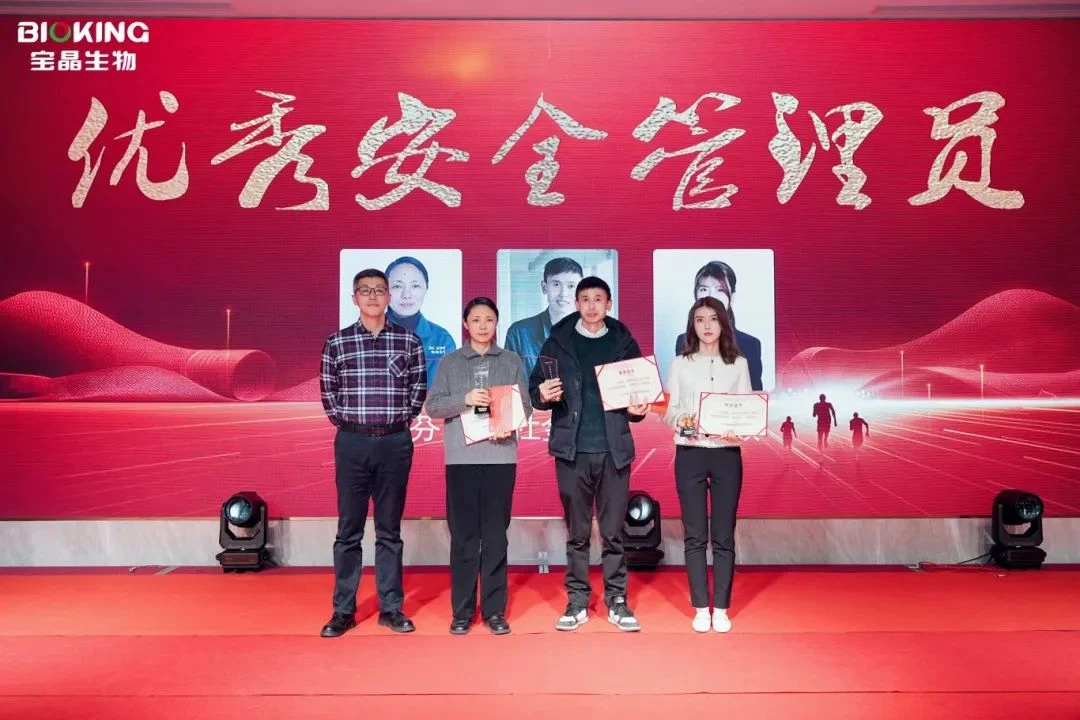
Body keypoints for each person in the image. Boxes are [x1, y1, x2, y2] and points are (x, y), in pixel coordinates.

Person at [528, 276, 650, 633]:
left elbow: (638, 396)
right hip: (572, 450)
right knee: (577, 533)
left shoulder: (623, 342)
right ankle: (577, 601)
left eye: (599, 299)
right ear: (576, 304)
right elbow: (536, 389)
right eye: (585, 299)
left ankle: (617, 600)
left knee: (613, 533)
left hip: (614, 450)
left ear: (609, 304)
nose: (592, 305)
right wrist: (542, 395)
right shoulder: (558, 342)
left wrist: (639, 409)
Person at [319, 268, 427, 638]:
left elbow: (417, 392)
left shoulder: (408, 341)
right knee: (348, 530)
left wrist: (394, 423)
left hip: (394, 443)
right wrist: (354, 426)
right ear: (354, 298)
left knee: (389, 530)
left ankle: (391, 608)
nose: (372, 297)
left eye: (379, 290)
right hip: (352, 442)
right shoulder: (337, 342)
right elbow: (329, 395)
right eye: (364, 291)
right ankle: (342, 611)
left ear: (388, 296)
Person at [426, 297, 531, 636]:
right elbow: (433, 407)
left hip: (500, 457)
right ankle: (462, 612)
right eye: (476, 320)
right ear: (465, 325)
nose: (483, 325)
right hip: (462, 459)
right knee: (464, 537)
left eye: (489, 319)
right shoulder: (451, 362)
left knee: (496, 537)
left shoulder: (511, 360)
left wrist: (508, 421)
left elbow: (526, 405)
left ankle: (495, 611)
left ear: (496, 323)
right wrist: (465, 400)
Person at [664, 297, 751, 633]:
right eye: (700, 319)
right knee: (695, 534)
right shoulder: (680, 364)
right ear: (692, 325)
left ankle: (722, 608)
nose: (707, 326)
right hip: (691, 452)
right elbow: (670, 411)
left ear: (723, 323)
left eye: (713, 318)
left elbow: (746, 409)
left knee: (724, 534)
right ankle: (701, 607)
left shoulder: (738, 364)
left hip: (727, 453)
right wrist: (684, 422)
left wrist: (739, 429)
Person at [674, 261, 764, 391]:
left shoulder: (749, 344)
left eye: (720, 290)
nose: (711, 296)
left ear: (732, 297)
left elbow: (755, 396)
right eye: (704, 289)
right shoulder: (683, 341)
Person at [505, 257, 584, 376]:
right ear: (544, 287)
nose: (563, 294)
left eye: (571, 286)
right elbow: (508, 384)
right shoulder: (518, 333)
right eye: (556, 284)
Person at [386, 256, 456, 382]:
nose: (406, 295)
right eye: (397, 286)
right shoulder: (365, 336)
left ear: (426, 288)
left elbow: (448, 390)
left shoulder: (442, 339)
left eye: (415, 286)